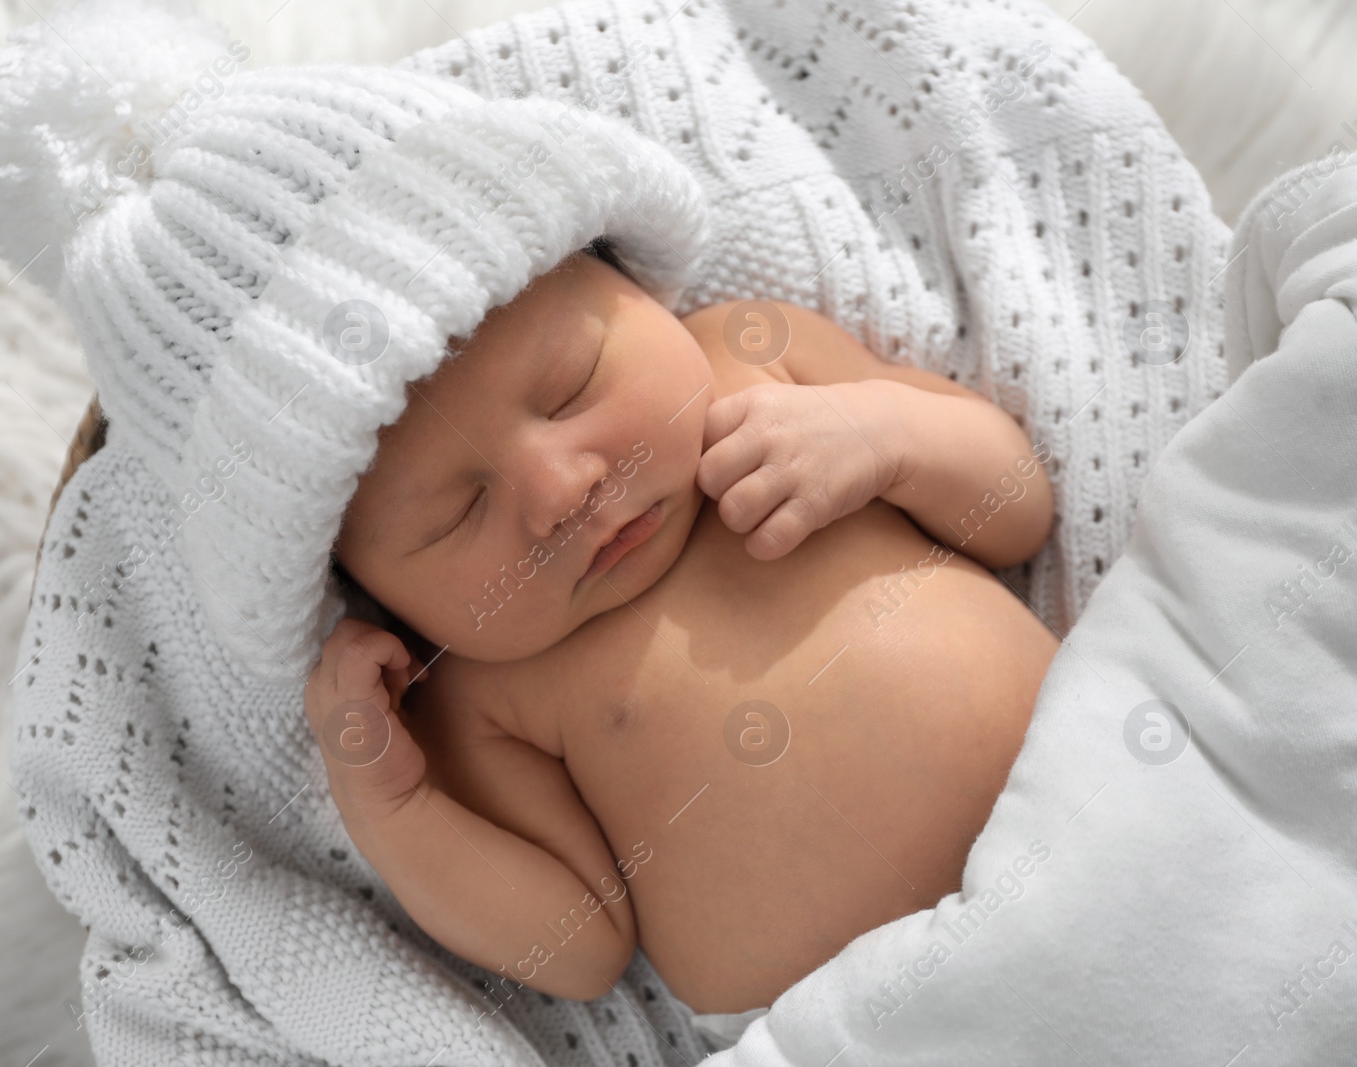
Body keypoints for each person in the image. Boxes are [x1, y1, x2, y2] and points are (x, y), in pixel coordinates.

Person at [302, 238, 1061, 1030]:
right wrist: (392, 804)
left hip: (1087, 794)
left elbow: (1018, 510)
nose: (562, 489)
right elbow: (576, 948)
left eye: (571, 388)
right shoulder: (482, 690)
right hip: (871, 1029)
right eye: (457, 516)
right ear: (387, 600)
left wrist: (886, 438)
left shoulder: (749, 357)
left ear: (639, 291)